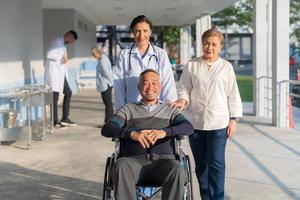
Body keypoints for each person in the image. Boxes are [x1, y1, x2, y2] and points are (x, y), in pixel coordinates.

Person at [171, 28, 243, 200]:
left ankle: (217, 198)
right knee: (201, 165)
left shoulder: (226, 67)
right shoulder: (192, 65)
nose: (209, 47)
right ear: (201, 44)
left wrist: (234, 120)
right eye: (206, 43)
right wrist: (182, 100)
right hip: (195, 124)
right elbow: (184, 89)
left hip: (219, 124)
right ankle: (205, 197)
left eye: (214, 44)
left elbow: (233, 95)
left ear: (220, 47)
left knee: (217, 164)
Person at [101, 69, 194, 200]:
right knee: (120, 165)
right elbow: (107, 128)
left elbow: (188, 127)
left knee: (177, 168)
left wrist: (164, 132)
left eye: (154, 83)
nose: (150, 87)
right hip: (133, 163)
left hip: (164, 162)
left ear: (160, 86)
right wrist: (132, 134)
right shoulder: (128, 109)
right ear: (139, 87)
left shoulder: (170, 110)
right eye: (146, 83)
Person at [114, 15, 177, 111]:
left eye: (145, 31)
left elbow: (168, 83)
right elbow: (119, 86)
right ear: (133, 33)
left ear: (150, 32)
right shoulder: (124, 55)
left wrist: (170, 110)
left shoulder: (160, 54)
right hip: (132, 110)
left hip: (156, 109)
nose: (141, 35)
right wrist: (120, 112)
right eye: (137, 31)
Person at [44, 30, 78, 128]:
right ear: (69, 36)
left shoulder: (61, 43)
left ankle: (63, 118)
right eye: (72, 40)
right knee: (56, 98)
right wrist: (62, 57)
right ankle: (56, 120)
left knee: (66, 93)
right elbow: (49, 54)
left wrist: (63, 58)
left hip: (59, 75)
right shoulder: (57, 42)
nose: (72, 42)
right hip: (55, 75)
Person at [91, 46, 114, 124]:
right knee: (108, 103)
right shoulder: (103, 59)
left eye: (94, 54)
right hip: (106, 84)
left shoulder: (102, 61)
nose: (93, 56)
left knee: (108, 104)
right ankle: (108, 121)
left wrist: (111, 83)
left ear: (98, 52)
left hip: (106, 84)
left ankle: (108, 121)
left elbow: (106, 73)